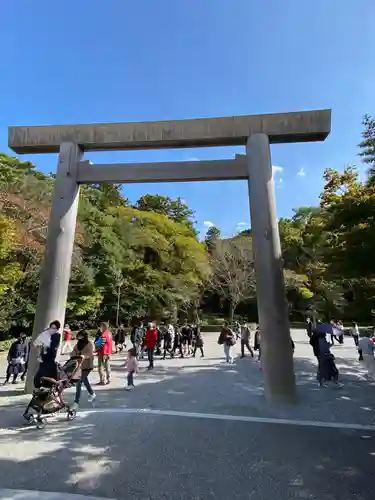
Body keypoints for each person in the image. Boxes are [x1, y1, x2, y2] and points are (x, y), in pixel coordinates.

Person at [70, 330, 96, 408]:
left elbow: (90, 354)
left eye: (80, 336)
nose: (79, 338)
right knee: (84, 380)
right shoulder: (78, 344)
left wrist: (84, 356)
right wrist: (73, 355)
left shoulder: (89, 344)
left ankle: (76, 402)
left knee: (79, 381)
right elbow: (73, 351)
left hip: (87, 366)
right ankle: (92, 393)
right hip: (79, 366)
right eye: (78, 337)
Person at [33, 320, 61, 388]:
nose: (52, 329)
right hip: (44, 359)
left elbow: (53, 348)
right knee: (38, 379)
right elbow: (38, 344)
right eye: (51, 327)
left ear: (57, 329)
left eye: (54, 328)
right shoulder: (45, 334)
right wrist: (39, 354)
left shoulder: (56, 335)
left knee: (48, 377)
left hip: (50, 359)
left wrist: (46, 348)